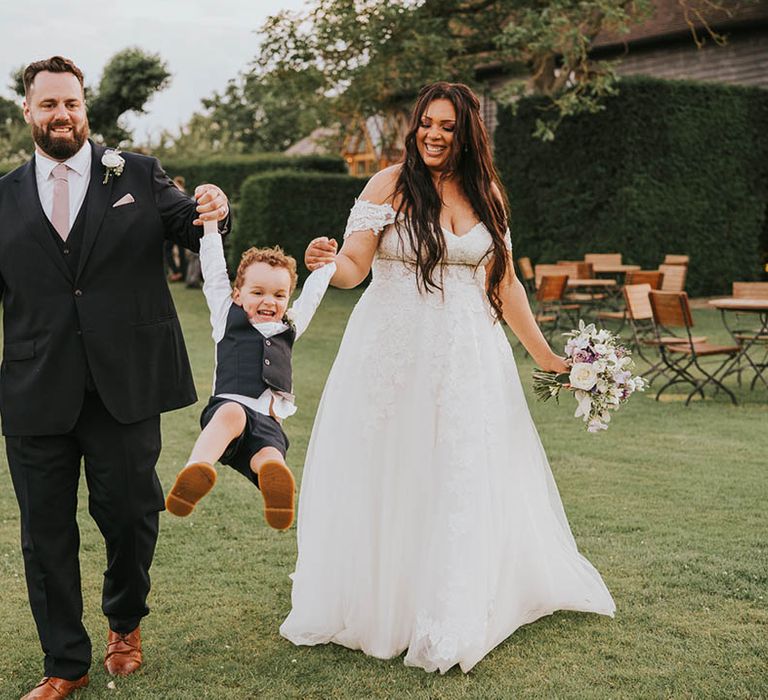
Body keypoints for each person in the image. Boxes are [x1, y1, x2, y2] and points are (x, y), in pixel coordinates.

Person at [280, 82, 616, 673]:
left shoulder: (488, 194)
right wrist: (327, 263)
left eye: (447, 127)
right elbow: (357, 266)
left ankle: (449, 603)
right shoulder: (388, 184)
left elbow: (504, 284)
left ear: (468, 134)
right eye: (426, 124)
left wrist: (549, 360)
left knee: (459, 473)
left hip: (468, 356)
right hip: (392, 351)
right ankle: (385, 604)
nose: (433, 135)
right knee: (394, 467)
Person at [0, 56, 230, 700]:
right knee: (45, 532)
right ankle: (64, 662)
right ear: (28, 111)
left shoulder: (138, 174)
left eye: (70, 103)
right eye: (47, 105)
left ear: (85, 107)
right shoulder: (3, 196)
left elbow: (193, 223)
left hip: (125, 384)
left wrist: (214, 206)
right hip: (35, 389)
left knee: (131, 516)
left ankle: (124, 624)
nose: (61, 115)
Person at [164, 225, 335, 529]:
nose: (269, 301)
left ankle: (276, 490)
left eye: (279, 295)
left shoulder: (290, 327)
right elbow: (215, 271)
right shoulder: (225, 314)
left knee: (269, 455)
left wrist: (325, 266)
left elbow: (311, 297)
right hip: (229, 412)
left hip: (269, 423)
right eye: (258, 293)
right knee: (232, 414)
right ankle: (196, 470)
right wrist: (212, 229)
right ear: (237, 294)